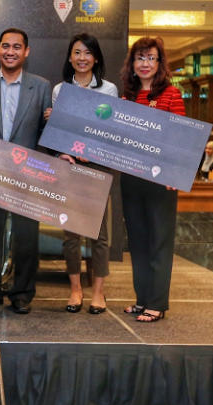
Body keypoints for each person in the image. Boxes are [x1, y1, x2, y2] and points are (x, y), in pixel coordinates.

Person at [0, 28, 52, 315]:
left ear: (26, 51)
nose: (10, 51)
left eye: (17, 46)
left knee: (26, 237)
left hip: (28, 174)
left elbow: (46, 132)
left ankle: (22, 294)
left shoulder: (41, 87)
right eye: (5, 46)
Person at [48, 33, 117, 315]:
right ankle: (75, 289)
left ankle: (98, 293)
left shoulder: (109, 90)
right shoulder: (59, 90)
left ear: (96, 58)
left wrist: (95, 151)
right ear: (70, 57)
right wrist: (62, 153)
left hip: (98, 165)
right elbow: (60, 130)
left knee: (99, 234)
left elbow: (109, 129)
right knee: (71, 232)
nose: (82, 58)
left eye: (87, 53)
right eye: (77, 52)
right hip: (71, 164)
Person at [119, 36, 185, 323]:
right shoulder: (125, 98)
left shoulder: (171, 94)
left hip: (161, 180)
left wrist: (175, 172)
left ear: (160, 64)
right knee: (138, 241)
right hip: (132, 177)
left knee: (159, 239)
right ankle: (142, 298)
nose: (145, 63)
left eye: (151, 58)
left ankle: (157, 302)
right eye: (140, 58)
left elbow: (181, 138)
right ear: (132, 64)